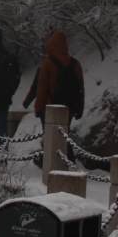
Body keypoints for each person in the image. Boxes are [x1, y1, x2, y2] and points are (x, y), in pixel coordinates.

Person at [34, 31, 83, 163]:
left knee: (51, 136)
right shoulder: (75, 63)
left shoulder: (47, 63)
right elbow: (80, 89)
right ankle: (66, 162)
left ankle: (63, 163)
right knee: (64, 135)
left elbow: (42, 88)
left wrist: (38, 108)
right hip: (69, 108)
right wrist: (80, 109)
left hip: (50, 108)